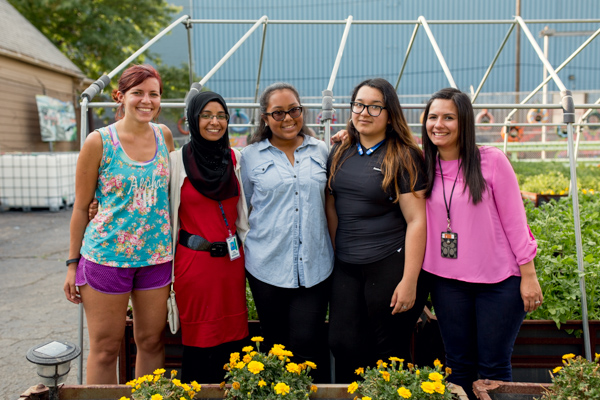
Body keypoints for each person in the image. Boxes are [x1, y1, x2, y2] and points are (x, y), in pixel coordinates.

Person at [420, 87, 542, 400]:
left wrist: (528, 276)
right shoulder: (422, 163)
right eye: (433, 117)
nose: (439, 124)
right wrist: (346, 137)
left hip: (499, 282)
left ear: (465, 123)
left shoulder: (491, 161)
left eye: (449, 117)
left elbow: (516, 223)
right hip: (448, 283)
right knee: (457, 366)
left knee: (494, 369)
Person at [63, 64, 175, 384]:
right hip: (107, 258)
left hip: (156, 259)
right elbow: (81, 207)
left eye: (153, 94)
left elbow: (174, 192)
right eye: (137, 93)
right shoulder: (99, 142)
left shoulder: (164, 135)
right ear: (120, 96)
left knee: (151, 342)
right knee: (105, 348)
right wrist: (72, 264)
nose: (146, 100)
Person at [325, 78, 428, 383]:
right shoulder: (340, 150)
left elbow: (416, 220)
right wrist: (339, 250)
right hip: (347, 265)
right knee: (342, 344)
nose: (364, 112)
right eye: (359, 104)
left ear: (389, 113)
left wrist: (410, 281)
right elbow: (331, 204)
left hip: (389, 264)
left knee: (388, 350)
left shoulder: (404, 156)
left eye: (374, 106)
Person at [240, 82, 334, 382]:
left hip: (316, 266)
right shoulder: (249, 157)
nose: (288, 118)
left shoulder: (322, 151)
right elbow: (242, 207)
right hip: (266, 265)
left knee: (307, 344)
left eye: (293, 110)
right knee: (274, 346)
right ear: (265, 118)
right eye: (277, 112)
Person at [170, 91, 249, 383]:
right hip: (194, 266)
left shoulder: (237, 159)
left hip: (230, 265)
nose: (214, 122)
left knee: (233, 343)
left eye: (221, 116)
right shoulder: (176, 162)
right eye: (206, 115)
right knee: (199, 342)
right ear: (193, 119)